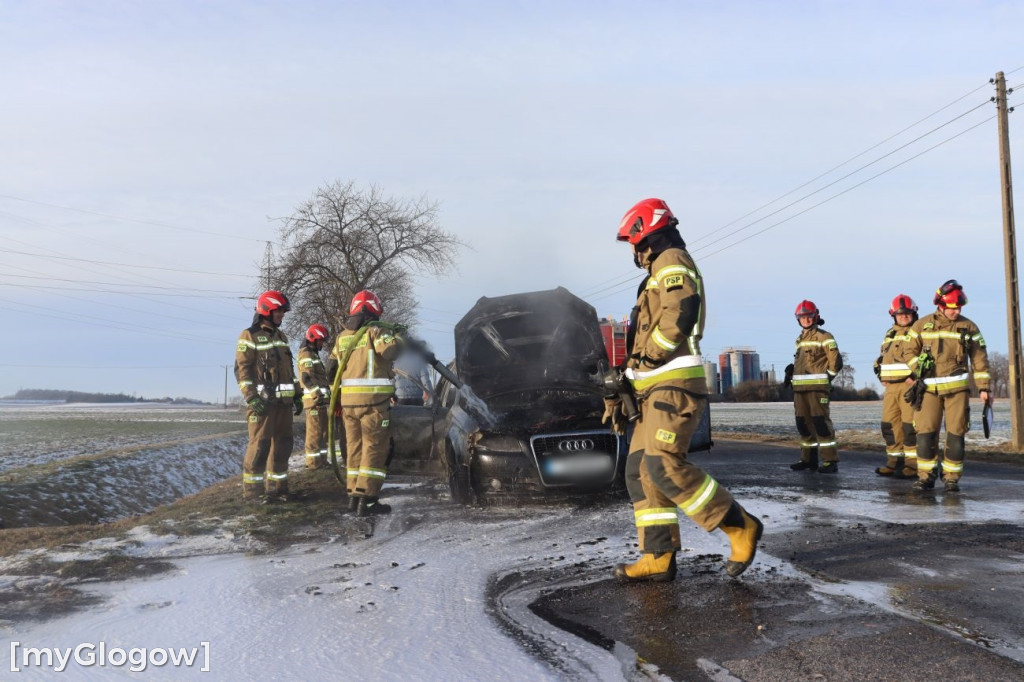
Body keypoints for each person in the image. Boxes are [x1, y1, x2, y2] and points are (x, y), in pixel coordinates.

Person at [603, 198, 763, 583]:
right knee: (639, 470)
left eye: (633, 241)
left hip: (673, 387)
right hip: (653, 389)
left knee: (662, 465)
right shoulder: (658, 269)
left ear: (646, 232)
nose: (632, 250)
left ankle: (739, 525)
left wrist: (647, 358)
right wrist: (624, 381)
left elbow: (681, 315)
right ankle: (658, 557)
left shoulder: (671, 259)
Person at [905, 279, 991, 493]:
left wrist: (984, 388)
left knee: (956, 436)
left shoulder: (969, 327)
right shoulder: (920, 325)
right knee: (925, 436)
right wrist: (918, 368)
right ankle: (926, 477)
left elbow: (980, 359)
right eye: (953, 307)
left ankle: (951, 478)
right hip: (928, 391)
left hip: (957, 392)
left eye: (959, 307)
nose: (956, 311)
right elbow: (907, 351)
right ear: (941, 305)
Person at [332, 290, 403, 516]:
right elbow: (390, 350)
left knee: (354, 450)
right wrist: (399, 337)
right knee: (375, 449)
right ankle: (368, 500)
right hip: (373, 404)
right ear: (374, 309)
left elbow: (330, 369)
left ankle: (353, 497)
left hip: (348, 406)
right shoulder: (376, 331)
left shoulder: (342, 337)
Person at [234, 290, 303, 503]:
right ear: (267, 310)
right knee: (260, 447)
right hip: (262, 404)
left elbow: (289, 370)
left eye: (283, 312)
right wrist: (251, 397)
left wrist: (297, 395)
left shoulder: (282, 337)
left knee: (283, 446)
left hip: (283, 405)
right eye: (279, 311)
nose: (282, 315)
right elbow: (242, 370)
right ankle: (253, 494)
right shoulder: (250, 335)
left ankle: (278, 489)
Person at [787, 300, 843, 473]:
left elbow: (836, 362)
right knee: (803, 425)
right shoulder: (800, 339)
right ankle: (808, 460)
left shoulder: (825, 337)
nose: (806, 320)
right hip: (800, 391)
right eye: (802, 317)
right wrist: (791, 373)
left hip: (817, 391)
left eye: (809, 316)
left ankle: (830, 461)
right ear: (798, 319)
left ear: (815, 316)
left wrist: (827, 379)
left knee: (821, 425)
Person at [872, 294, 919, 478]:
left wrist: (915, 375)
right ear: (894, 315)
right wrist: (879, 373)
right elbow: (882, 358)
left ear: (913, 314)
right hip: (890, 388)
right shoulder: (889, 335)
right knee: (889, 426)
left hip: (909, 387)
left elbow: (926, 358)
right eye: (900, 314)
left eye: (907, 314)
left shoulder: (918, 332)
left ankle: (912, 466)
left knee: (910, 428)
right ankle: (894, 463)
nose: (904, 317)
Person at [298, 324, 332, 470]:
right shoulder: (306, 354)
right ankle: (312, 464)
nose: (322, 344)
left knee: (323, 433)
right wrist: (317, 396)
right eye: (320, 341)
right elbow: (307, 377)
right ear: (312, 339)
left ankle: (322, 461)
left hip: (321, 401)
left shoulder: (313, 354)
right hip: (314, 401)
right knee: (314, 434)